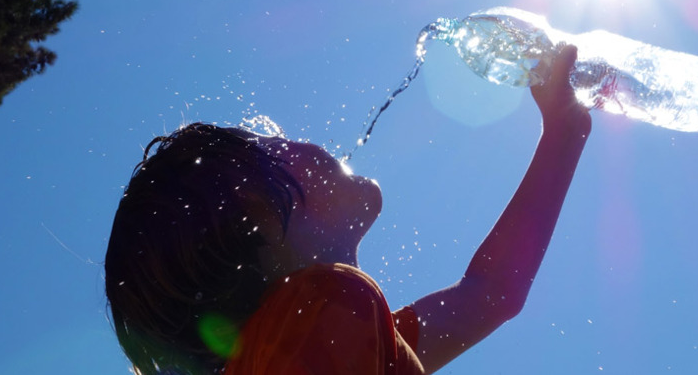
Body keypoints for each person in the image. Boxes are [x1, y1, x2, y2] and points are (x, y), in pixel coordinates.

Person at [104, 45, 591, 374]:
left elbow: (492, 293)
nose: (297, 140)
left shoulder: (336, 343)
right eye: (272, 145)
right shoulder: (327, 305)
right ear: (258, 216)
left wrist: (565, 133)